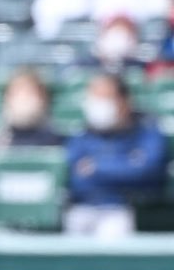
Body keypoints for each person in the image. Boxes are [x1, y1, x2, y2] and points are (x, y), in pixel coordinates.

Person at [64, 73, 167, 237]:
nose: (97, 103)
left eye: (104, 97)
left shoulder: (147, 131)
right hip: (83, 208)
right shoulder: (81, 135)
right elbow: (77, 177)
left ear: (124, 101)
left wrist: (96, 167)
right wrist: (124, 165)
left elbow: (146, 170)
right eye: (93, 97)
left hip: (126, 210)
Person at [0, 68, 64, 151]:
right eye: (18, 93)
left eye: (30, 93)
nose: (24, 98)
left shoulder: (60, 142)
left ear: (44, 99)